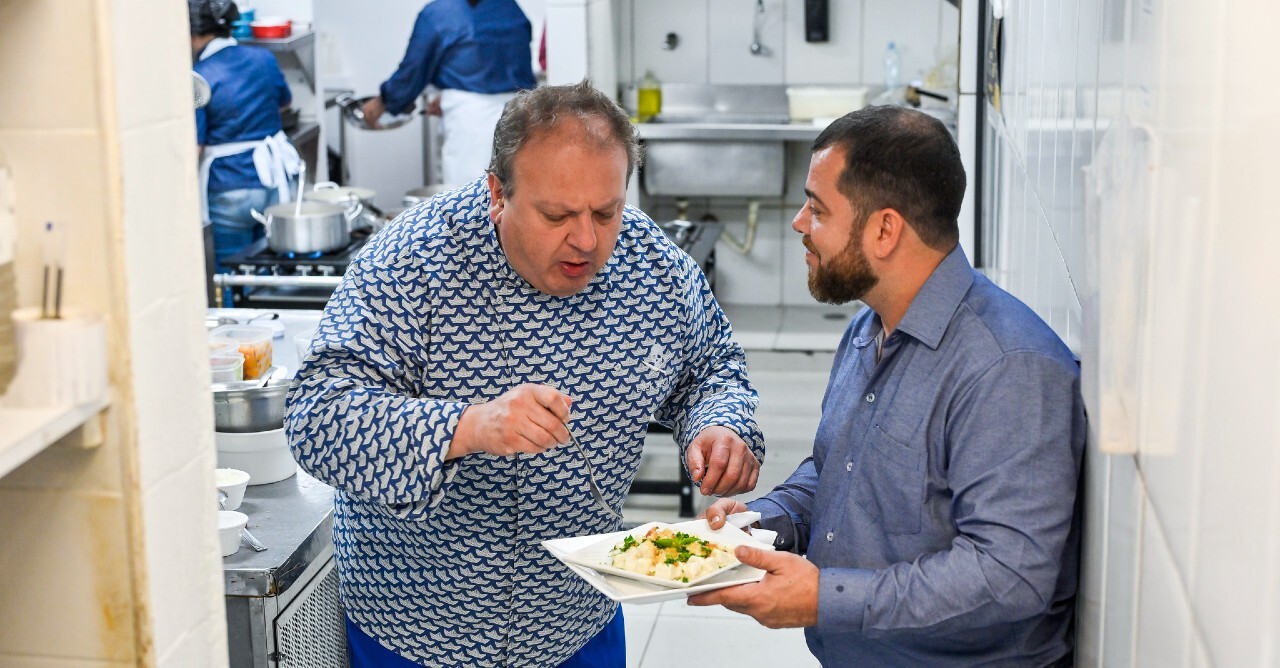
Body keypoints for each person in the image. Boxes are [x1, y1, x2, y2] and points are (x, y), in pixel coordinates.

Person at [286, 80, 765, 667]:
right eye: (557, 215)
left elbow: (712, 370)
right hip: (418, 631)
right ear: (497, 193)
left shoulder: (652, 266)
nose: (586, 240)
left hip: (576, 623)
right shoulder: (411, 261)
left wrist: (719, 426)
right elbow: (317, 415)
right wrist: (466, 427)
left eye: (605, 212)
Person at [690, 105, 1086, 667]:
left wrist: (823, 598)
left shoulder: (1008, 370)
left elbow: (1009, 575)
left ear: (884, 229)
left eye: (818, 208)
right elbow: (839, 474)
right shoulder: (868, 326)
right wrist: (757, 526)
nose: (800, 222)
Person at [361, 0, 538, 187]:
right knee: (512, 194)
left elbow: (413, 69)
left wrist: (384, 101)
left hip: (469, 123)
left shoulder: (439, 13)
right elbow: (494, 65)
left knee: (468, 201)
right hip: (519, 117)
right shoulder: (511, 9)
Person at [189, 0, 301, 266]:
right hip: (274, 181)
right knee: (274, 268)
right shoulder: (263, 58)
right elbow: (285, 102)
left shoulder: (199, 77)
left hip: (230, 187)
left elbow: (195, 145)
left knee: (233, 274)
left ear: (192, 35)